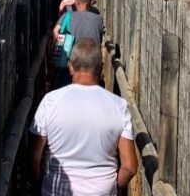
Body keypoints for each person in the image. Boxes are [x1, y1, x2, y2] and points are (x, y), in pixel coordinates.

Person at [30, 39, 138, 196]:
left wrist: (42, 185)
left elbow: (34, 158)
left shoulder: (50, 102)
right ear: (100, 69)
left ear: (70, 67)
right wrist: (115, 187)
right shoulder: (119, 106)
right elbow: (129, 167)